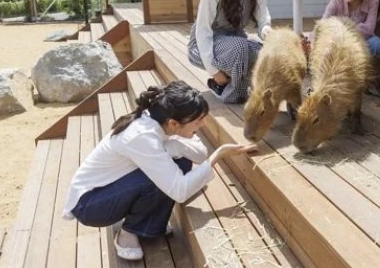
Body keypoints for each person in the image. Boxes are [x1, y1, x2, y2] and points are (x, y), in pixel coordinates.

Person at [62, 80, 257, 261]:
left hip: (111, 188)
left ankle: (149, 225)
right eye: (197, 120)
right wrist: (219, 155)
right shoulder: (142, 136)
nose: (202, 124)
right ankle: (127, 234)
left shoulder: (160, 120)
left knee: (180, 163)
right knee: (157, 179)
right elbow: (180, 191)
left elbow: (199, 154)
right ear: (173, 123)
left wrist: (178, 146)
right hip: (90, 204)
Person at [187, 0, 272, 104]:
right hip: (205, 44)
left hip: (235, 42)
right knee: (241, 47)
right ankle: (225, 88)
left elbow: (263, 21)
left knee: (261, 52)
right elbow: (203, 31)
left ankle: (230, 87)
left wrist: (267, 32)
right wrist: (214, 71)